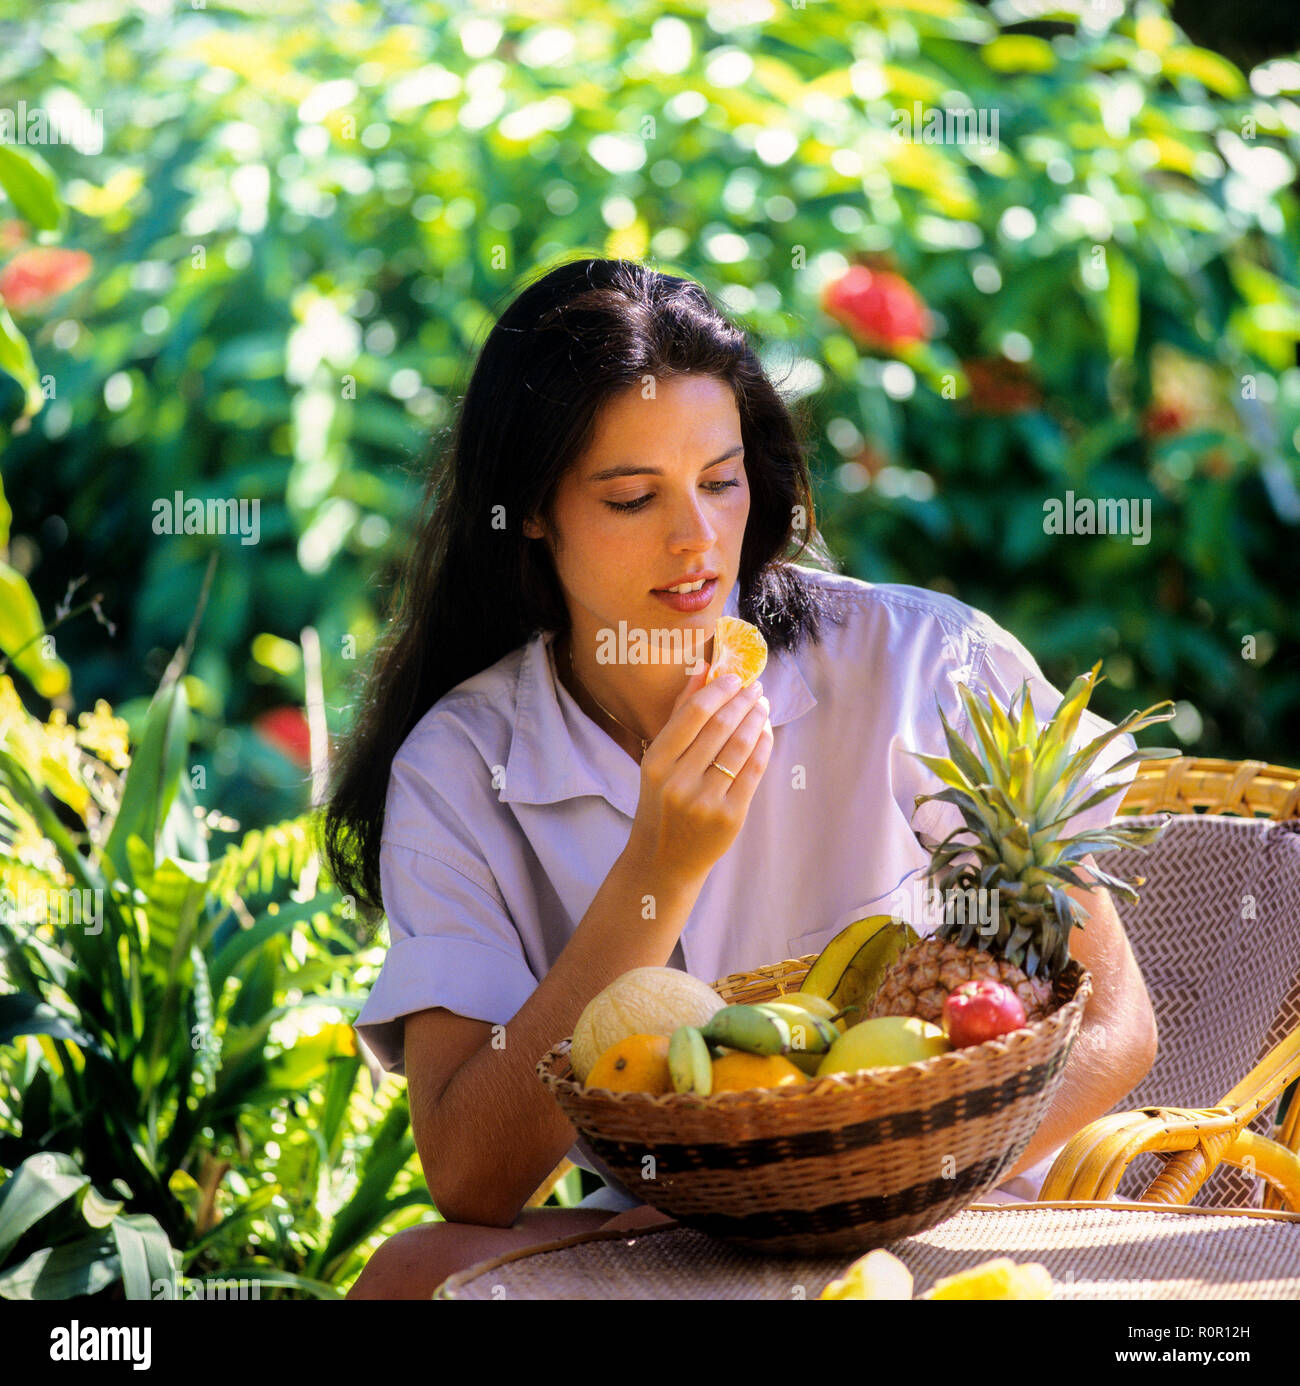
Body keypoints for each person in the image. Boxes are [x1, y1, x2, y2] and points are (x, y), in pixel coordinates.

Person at [323, 258, 1158, 1299]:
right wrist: (657, 871)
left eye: (720, 480)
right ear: (530, 511)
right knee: (408, 1274)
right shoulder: (459, 762)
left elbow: (1117, 1022)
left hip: (951, 1211)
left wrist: (870, 1196)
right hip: (669, 1234)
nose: (698, 540)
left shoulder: (917, 664)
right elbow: (471, 1175)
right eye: (633, 497)